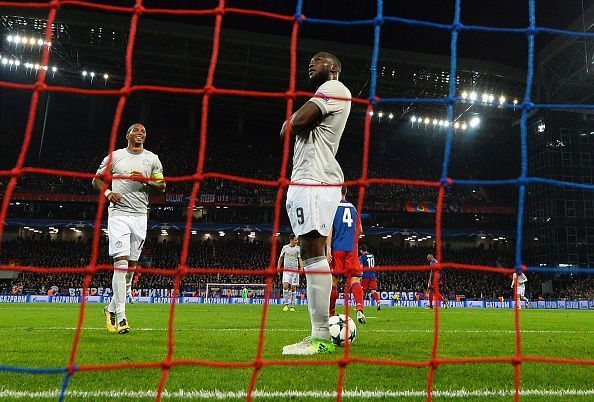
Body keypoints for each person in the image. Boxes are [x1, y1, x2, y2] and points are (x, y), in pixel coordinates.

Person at [281, 52, 351, 356]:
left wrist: (293, 122)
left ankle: (320, 336)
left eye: (318, 59)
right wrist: (292, 123)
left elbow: (294, 124)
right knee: (311, 253)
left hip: (314, 179)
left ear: (332, 68)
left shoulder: (335, 90)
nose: (311, 63)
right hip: (308, 179)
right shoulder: (323, 94)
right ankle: (319, 334)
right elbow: (290, 128)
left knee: (312, 251)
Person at [93, 123, 165, 334]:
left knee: (130, 269)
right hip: (119, 215)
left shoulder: (152, 159)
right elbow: (96, 181)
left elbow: (162, 187)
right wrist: (108, 194)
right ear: (128, 135)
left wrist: (146, 180)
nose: (141, 133)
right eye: (137, 130)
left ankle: (110, 308)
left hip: (140, 216)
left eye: (144, 131)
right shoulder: (115, 157)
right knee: (121, 263)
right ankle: (122, 317)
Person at [327, 187, 366, 324]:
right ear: (346, 192)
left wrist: (328, 247)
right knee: (355, 280)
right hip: (351, 249)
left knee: (334, 282)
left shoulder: (333, 207)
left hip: (337, 249)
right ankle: (359, 308)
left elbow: (330, 229)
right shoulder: (354, 208)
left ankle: (331, 313)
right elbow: (360, 230)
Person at [277, 234, 303, 311]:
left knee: (293, 288)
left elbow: (300, 259)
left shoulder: (298, 248)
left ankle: (292, 306)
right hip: (286, 270)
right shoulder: (285, 248)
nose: (297, 241)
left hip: (295, 270)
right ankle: (286, 304)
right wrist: (278, 267)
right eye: (295, 240)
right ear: (291, 240)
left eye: (297, 240)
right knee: (285, 286)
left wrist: (301, 267)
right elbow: (281, 258)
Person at [360, 245, 381, 311]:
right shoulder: (372, 255)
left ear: (361, 250)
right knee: (373, 291)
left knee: (362, 291)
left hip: (365, 275)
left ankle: (361, 306)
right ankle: (378, 303)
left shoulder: (362, 257)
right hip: (372, 275)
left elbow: (361, 266)